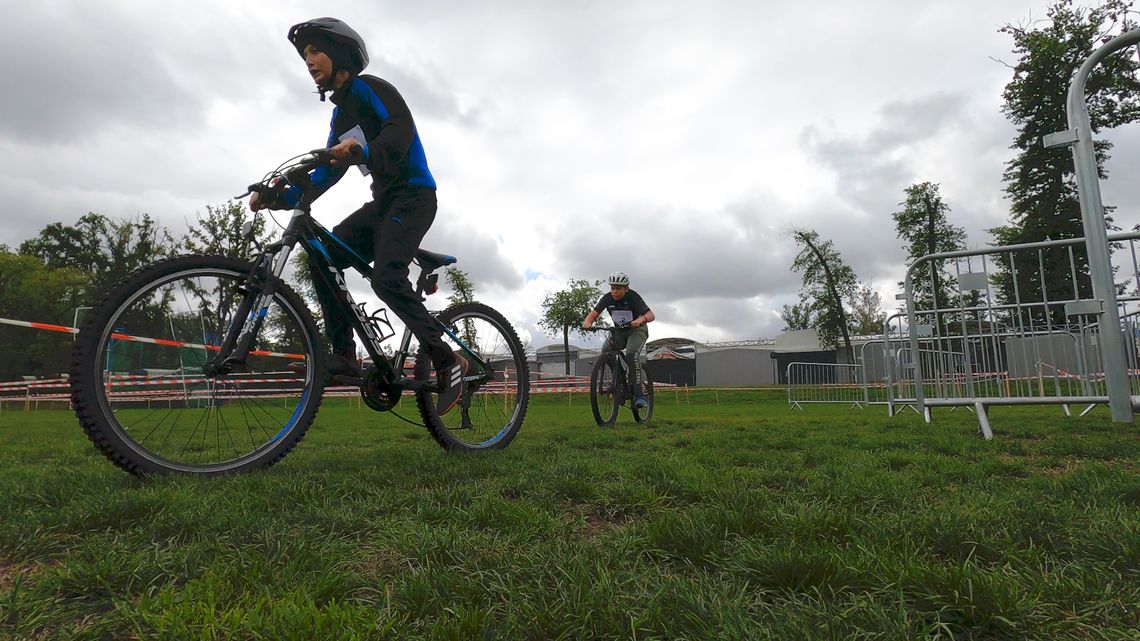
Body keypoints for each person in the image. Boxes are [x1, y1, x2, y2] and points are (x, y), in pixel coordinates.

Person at [250, 17, 466, 413]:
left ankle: (447, 360)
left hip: (415, 197)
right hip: (383, 204)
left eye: (315, 51)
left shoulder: (371, 88)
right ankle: (346, 354)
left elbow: (399, 131)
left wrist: (362, 152)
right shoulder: (340, 117)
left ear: (341, 53)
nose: (309, 61)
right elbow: (325, 173)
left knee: (386, 278)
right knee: (322, 256)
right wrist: (278, 197)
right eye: (304, 55)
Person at [582, 272, 655, 408]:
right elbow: (594, 313)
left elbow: (650, 315)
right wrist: (587, 322)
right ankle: (619, 379)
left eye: (618, 288)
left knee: (631, 354)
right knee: (605, 351)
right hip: (619, 332)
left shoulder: (633, 297)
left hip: (636, 331)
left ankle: (639, 395)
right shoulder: (607, 298)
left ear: (626, 288)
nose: (615, 291)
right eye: (613, 288)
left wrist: (641, 320)